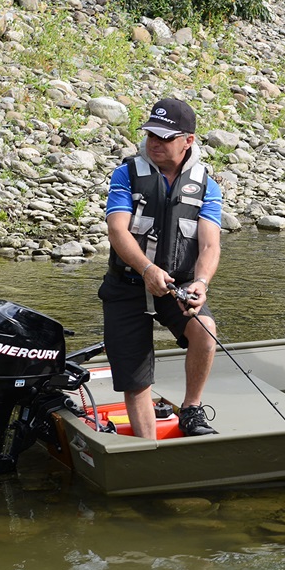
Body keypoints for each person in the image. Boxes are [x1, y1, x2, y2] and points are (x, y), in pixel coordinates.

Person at [99, 97, 223, 438]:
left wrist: (201, 282)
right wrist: (146, 269)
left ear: (188, 140)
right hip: (126, 286)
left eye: (165, 137)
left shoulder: (206, 184)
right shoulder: (127, 174)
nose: (154, 142)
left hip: (176, 286)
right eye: (151, 134)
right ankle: (147, 446)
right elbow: (117, 231)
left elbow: (210, 245)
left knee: (206, 330)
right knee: (136, 378)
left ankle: (191, 409)